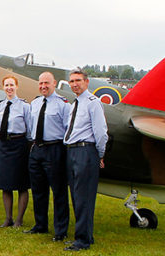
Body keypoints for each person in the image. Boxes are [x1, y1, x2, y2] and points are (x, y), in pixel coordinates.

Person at [62, 70, 108, 251]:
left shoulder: (93, 103)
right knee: (76, 196)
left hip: (85, 151)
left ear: (87, 82)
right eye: (72, 81)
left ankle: (82, 241)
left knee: (84, 198)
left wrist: (100, 155)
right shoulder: (75, 104)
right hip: (72, 151)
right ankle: (85, 235)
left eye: (78, 81)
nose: (75, 84)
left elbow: (101, 132)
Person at [23, 72, 72, 242]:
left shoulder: (63, 105)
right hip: (37, 150)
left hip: (55, 149)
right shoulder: (35, 103)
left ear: (54, 84)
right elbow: (30, 126)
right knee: (38, 190)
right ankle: (40, 225)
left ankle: (61, 231)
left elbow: (68, 130)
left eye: (47, 83)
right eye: (41, 83)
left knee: (58, 192)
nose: (43, 86)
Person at [0, 74, 32, 228]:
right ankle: (8, 218)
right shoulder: (0, 106)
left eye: (12, 85)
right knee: (5, 184)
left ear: (17, 87)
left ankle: (19, 220)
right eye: (6, 85)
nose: (9, 88)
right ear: (3, 88)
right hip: (4, 145)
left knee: (22, 184)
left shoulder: (24, 106)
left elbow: (30, 129)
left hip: (19, 144)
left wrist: (26, 146)